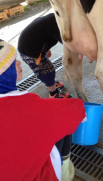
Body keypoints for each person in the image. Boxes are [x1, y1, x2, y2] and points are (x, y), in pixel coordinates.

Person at [0, 39, 86, 181]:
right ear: (5, 73)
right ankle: (65, 172)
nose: (20, 63)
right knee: (62, 127)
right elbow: (76, 110)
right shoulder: (29, 106)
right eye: (14, 62)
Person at [18, 13, 71, 98]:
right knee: (47, 71)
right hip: (30, 52)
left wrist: (46, 49)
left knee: (46, 69)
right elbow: (68, 44)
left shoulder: (53, 18)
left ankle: (51, 83)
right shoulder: (56, 25)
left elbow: (42, 35)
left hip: (33, 47)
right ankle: (54, 93)